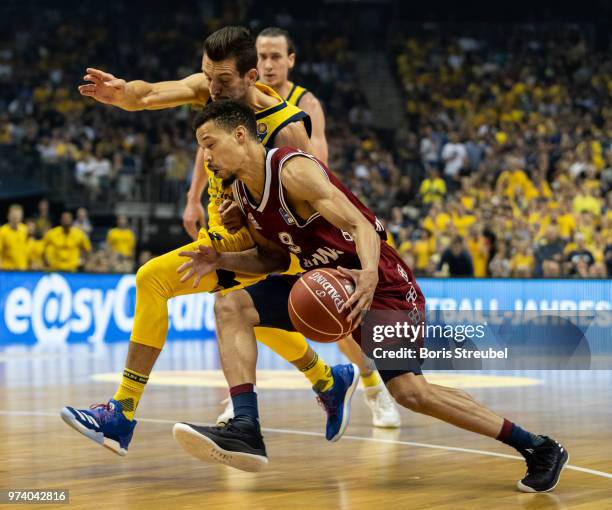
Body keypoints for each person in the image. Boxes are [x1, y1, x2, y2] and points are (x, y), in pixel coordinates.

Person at [174, 101, 567, 493]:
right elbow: (272, 256)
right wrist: (220, 257)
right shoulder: (242, 194)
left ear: (240, 135)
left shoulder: (292, 170)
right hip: (327, 284)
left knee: (411, 392)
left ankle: (538, 446)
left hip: (381, 284)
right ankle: (246, 426)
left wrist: (365, 276)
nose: (205, 156)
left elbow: (361, 225)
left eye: (209, 144)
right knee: (232, 304)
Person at [61, 27, 358, 457]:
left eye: (222, 82)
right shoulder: (212, 89)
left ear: (252, 78)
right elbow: (151, 94)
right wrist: (123, 94)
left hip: (270, 243)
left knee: (152, 280)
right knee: (247, 313)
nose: (212, 89)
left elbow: (312, 208)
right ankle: (329, 382)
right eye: (207, 77)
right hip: (225, 227)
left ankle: (120, 415)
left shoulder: (288, 130)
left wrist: (253, 212)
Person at [256, 26, 399, 427]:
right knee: (237, 303)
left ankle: (371, 384)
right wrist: (192, 195)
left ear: (290, 60)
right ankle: (241, 404)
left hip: (302, 222)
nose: (267, 64)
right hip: (259, 218)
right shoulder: (243, 99)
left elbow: (315, 161)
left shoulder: (305, 103)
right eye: (261, 57)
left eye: (275, 57)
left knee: (329, 315)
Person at [0, 204, 29, 270]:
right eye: (14, 216)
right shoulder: (2, 232)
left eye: (18, 216)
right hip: (8, 271)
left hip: (23, 270)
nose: (16, 218)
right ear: (8, 216)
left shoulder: (25, 229)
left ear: (21, 217)